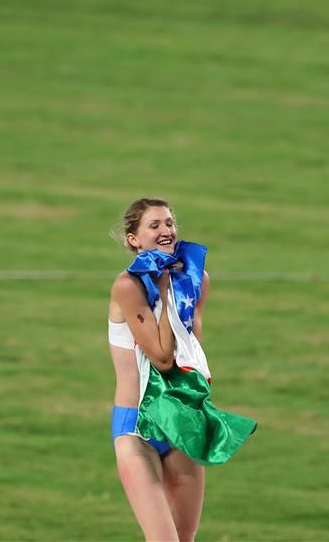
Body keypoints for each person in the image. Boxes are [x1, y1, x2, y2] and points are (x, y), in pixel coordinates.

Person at [108, 198, 209, 542]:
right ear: (133, 239)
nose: (166, 230)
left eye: (169, 222)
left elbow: (191, 354)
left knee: (185, 538)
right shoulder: (128, 287)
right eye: (154, 225)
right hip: (137, 427)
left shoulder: (195, 280)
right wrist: (166, 294)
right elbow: (163, 358)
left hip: (179, 420)